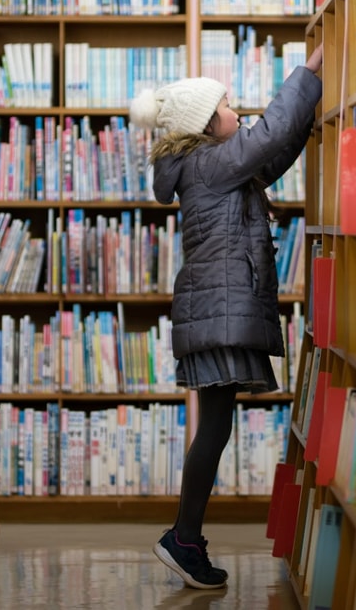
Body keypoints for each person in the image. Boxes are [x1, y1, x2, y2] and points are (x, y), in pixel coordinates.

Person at [129, 44, 324, 589]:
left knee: (214, 426)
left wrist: (304, 117)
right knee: (213, 428)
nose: (238, 112)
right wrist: (306, 76)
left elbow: (271, 155)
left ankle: (186, 537)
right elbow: (265, 138)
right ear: (206, 126)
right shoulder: (211, 164)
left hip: (216, 309)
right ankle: (184, 539)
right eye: (228, 107)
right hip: (218, 309)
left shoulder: (214, 166)